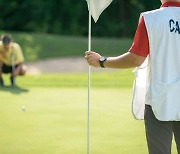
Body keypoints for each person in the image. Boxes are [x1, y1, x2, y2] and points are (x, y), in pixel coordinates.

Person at [85, 0, 180, 153]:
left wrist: (102, 61)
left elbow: (136, 59)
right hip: (162, 100)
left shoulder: (151, 19)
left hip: (160, 101)